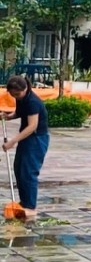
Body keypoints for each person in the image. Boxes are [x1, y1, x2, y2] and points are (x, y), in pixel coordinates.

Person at [2, 75, 48, 222]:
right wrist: (9, 116)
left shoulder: (33, 102)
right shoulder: (22, 98)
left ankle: (31, 207)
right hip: (26, 137)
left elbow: (32, 126)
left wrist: (13, 141)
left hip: (36, 138)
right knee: (19, 168)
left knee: (28, 171)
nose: (16, 97)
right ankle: (24, 202)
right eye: (13, 94)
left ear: (25, 88)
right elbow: (21, 112)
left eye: (17, 94)